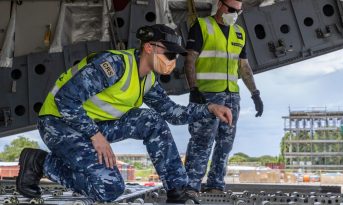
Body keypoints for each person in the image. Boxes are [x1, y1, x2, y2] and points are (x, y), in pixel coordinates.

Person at [16, 24, 233, 203]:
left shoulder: (148, 80)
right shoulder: (114, 65)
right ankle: (40, 162)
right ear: (149, 47)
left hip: (91, 125)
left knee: (151, 120)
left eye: (175, 56)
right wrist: (95, 135)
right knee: (109, 188)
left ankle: (177, 190)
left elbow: (172, 113)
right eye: (169, 54)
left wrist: (209, 108)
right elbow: (66, 99)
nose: (173, 61)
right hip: (59, 123)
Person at [184, 0, 264, 193]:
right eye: (231, 9)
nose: (234, 13)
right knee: (201, 141)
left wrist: (255, 94)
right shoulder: (202, 26)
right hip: (207, 96)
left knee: (225, 143)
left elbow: (243, 66)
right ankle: (190, 186)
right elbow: (189, 60)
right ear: (220, 5)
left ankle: (215, 185)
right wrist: (193, 89)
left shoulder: (239, 33)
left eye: (238, 11)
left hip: (232, 96)